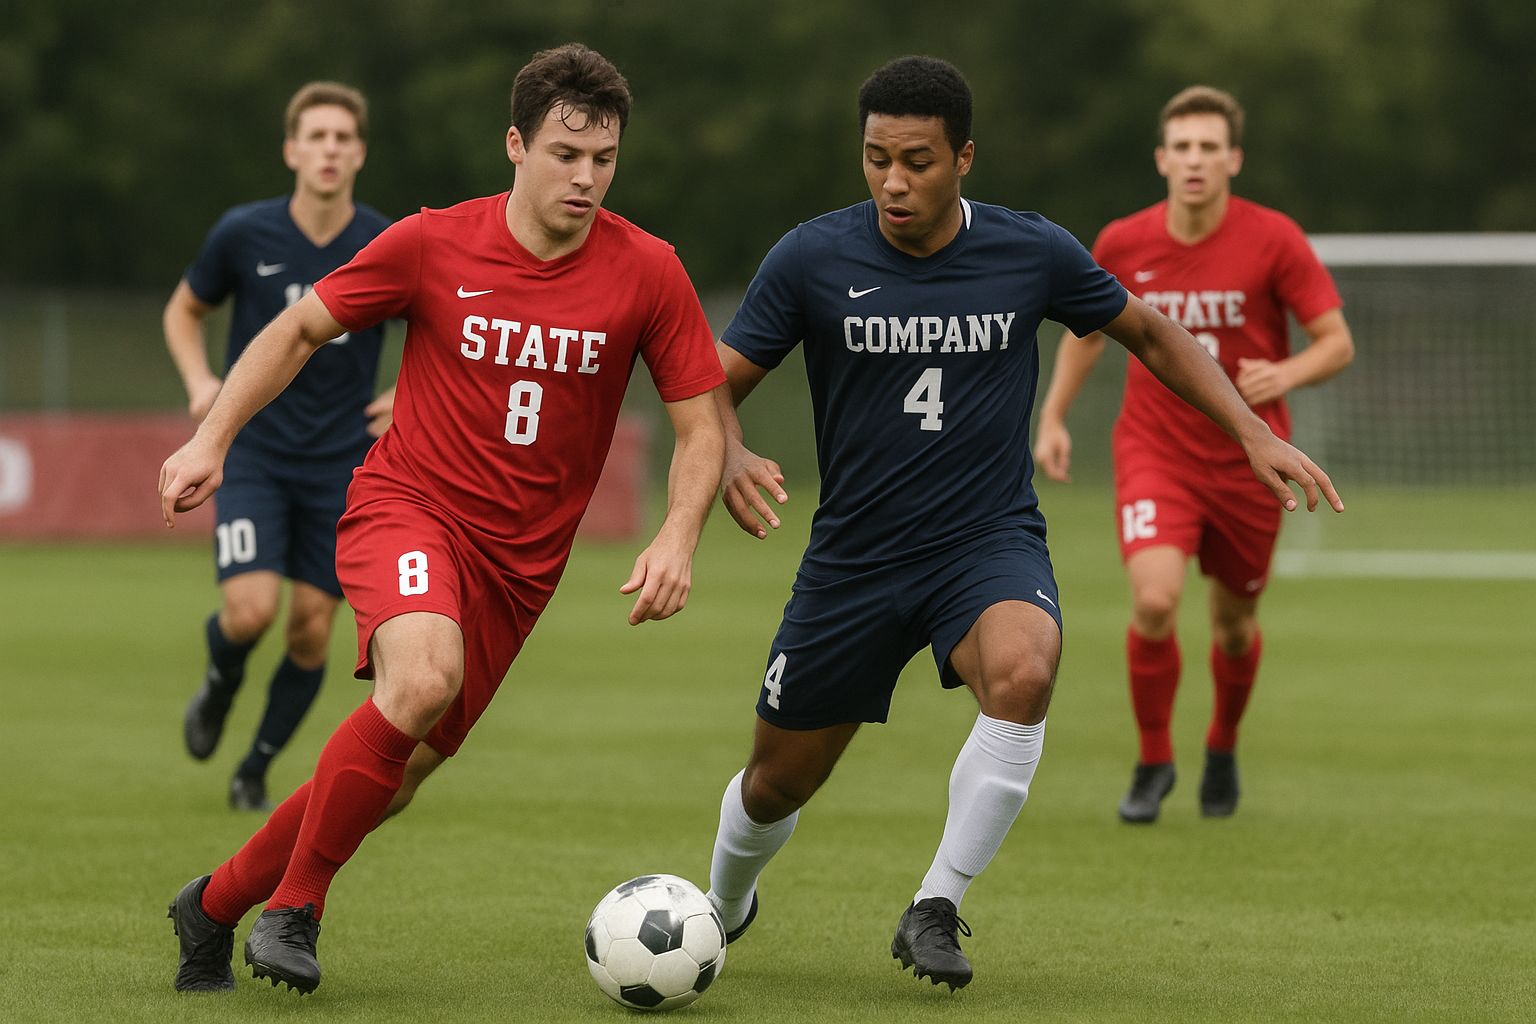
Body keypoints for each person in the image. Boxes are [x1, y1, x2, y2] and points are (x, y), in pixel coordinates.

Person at [702, 58, 1341, 991]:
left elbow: (1153, 334)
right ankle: (719, 907)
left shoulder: (1030, 251)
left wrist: (1250, 431)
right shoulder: (810, 257)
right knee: (777, 783)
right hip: (853, 560)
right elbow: (710, 387)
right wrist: (725, 449)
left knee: (1026, 666)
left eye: (916, 161)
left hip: (984, 542)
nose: (892, 181)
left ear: (964, 158)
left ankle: (936, 904)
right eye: (876, 158)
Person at [159, 44, 726, 995]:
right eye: (564, 153)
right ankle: (294, 910)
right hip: (407, 508)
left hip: (520, 569)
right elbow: (301, 327)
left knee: (401, 767)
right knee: (419, 679)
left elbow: (699, 424)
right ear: (515, 144)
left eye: (604, 159)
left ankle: (214, 903)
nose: (585, 177)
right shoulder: (431, 241)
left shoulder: (649, 272)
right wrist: (214, 437)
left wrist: (678, 530)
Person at [1033, 86, 1354, 824]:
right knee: (1153, 601)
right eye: (1182, 147)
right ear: (1161, 159)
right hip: (1156, 453)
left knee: (1234, 624)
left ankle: (1221, 745)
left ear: (1233, 158)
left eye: (1210, 147)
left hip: (1251, 462)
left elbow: (1337, 340)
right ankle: (1152, 761)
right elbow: (1085, 331)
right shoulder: (1123, 241)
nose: (1195, 160)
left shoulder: (1274, 239)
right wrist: (1053, 415)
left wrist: (1289, 372)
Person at [165, 82, 395, 812]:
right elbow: (185, 308)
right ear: (292, 149)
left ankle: (256, 765)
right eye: (316, 136)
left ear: (359, 153)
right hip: (256, 455)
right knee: (251, 614)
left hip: (343, 465)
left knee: (309, 627)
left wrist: (412, 393)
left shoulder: (385, 242)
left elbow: (444, 320)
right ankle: (220, 682)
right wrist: (202, 379)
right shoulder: (243, 233)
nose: (329, 149)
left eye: (342, 138)